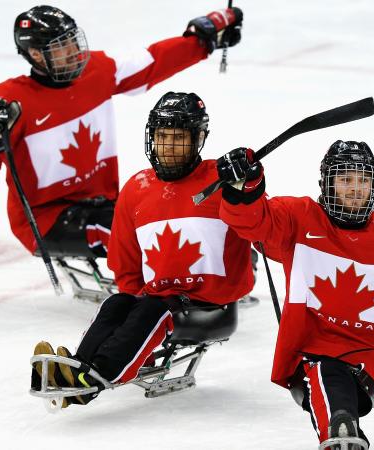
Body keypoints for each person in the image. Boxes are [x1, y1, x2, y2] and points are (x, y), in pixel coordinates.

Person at [215, 141, 374, 449]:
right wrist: (243, 187)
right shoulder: (299, 217)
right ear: (326, 183)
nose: (356, 189)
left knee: (330, 375)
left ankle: (342, 433)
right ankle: (342, 434)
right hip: (306, 357)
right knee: (324, 370)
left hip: (367, 367)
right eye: (345, 179)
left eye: (364, 180)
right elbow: (251, 221)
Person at [0, 4, 243, 257]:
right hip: (48, 219)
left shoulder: (96, 71)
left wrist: (203, 40)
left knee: (179, 212)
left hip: (105, 204)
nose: (73, 52)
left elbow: (150, 64)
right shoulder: (10, 101)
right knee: (138, 234)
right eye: (60, 47)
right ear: (35, 55)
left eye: (72, 41)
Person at [31, 92, 254, 407]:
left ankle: (91, 382)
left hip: (212, 303)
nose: (169, 147)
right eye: (163, 137)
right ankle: (78, 369)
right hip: (162, 298)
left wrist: (250, 182)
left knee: (152, 310)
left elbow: (258, 220)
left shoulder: (221, 180)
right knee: (117, 304)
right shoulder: (137, 188)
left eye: (179, 138)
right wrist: (132, 305)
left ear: (199, 138)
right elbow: (126, 264)